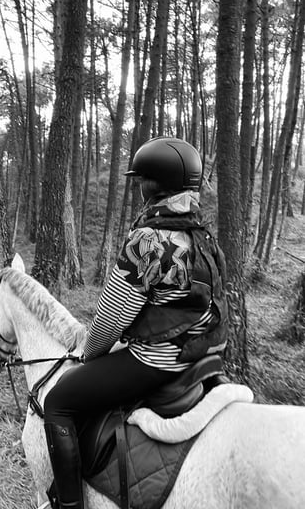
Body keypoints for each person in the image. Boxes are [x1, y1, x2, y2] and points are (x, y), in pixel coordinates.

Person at [43, 136, 228, 509]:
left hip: (158, 361)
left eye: (142, 180)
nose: (139, 187)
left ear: (154, 185)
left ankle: (69, 505)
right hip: (203, 355)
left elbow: (111, 319)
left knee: (58, 401)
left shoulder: (148, 239)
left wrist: (89, 354)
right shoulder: (203, 236)